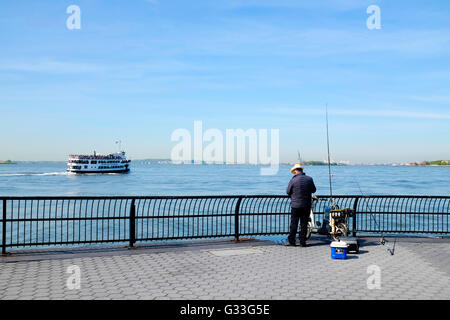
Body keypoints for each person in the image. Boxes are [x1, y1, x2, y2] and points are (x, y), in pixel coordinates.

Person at [285, 163, 316, 247]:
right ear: (302, 170)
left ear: (295, 172)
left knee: (294, 224)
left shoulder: (293, 180)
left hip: (295, 206)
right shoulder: (309, 179)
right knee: (304, 224)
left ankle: (292, 241)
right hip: (306, 205)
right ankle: (302, 242)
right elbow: (314, 190)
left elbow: (288, 192)